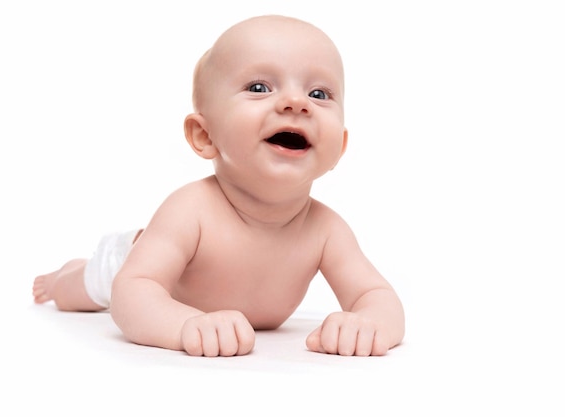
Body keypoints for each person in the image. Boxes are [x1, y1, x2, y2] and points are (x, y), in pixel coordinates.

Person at [32, 14, 405, 357]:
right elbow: (131, 292)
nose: (296, 103)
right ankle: (65, 273)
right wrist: (183, 326)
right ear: (204, 135)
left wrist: (369, 325)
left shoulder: (326, 230)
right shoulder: (190, 210)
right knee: (79, 291)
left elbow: (377, 296)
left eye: (319, 94)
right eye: (259, 87)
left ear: (339, 146)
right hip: (129, 260)